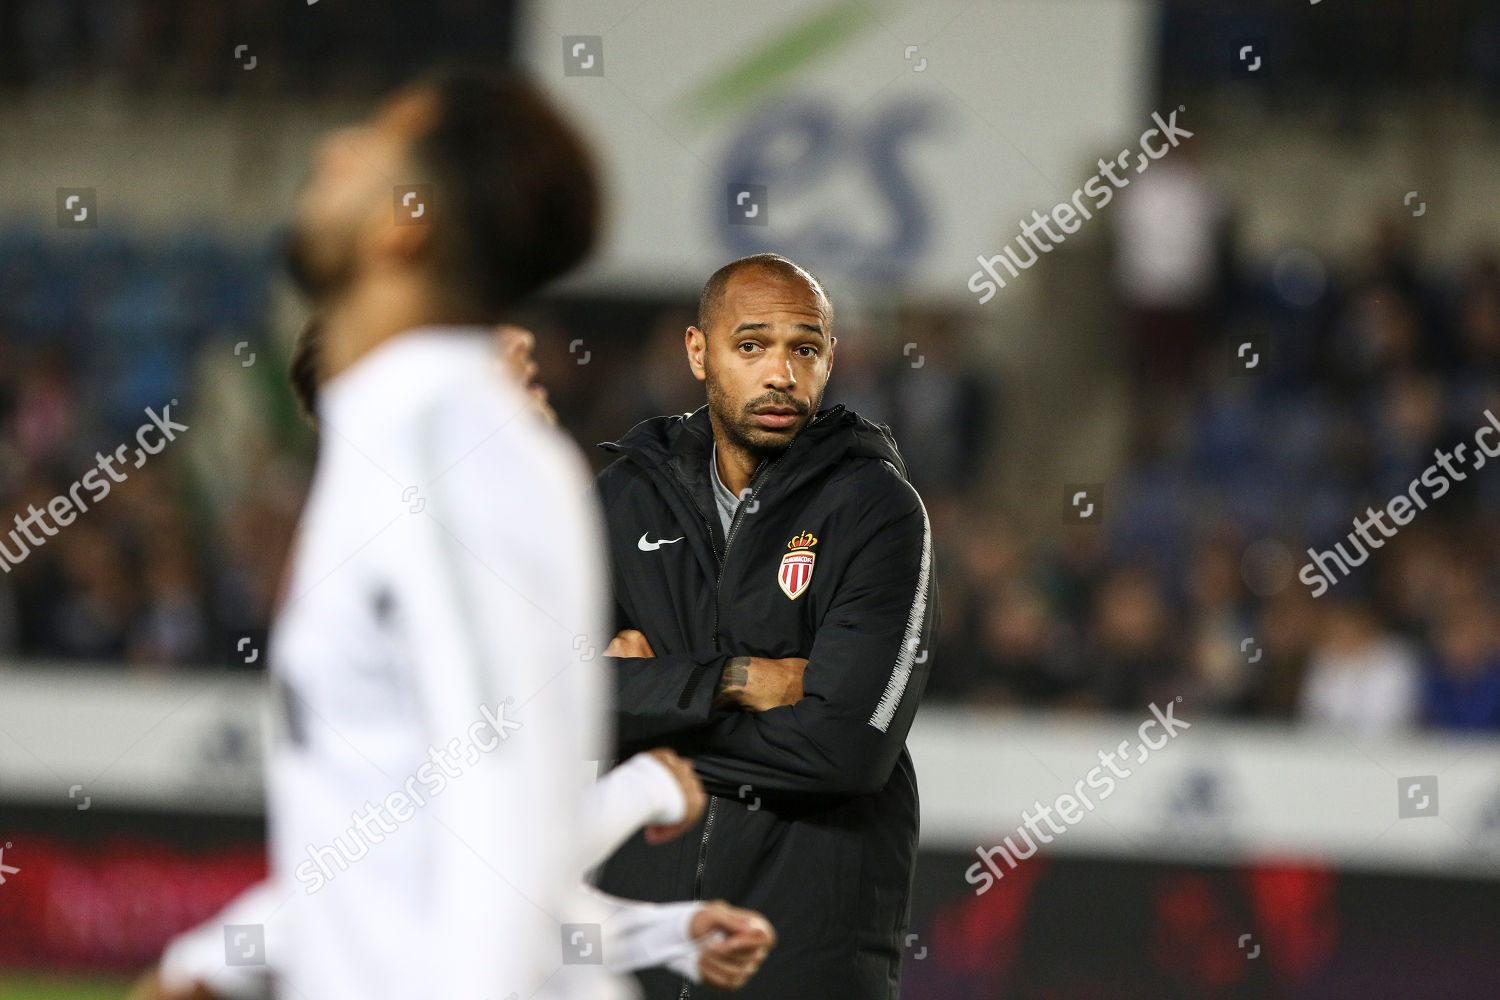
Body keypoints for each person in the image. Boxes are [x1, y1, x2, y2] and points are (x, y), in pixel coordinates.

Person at [130, 70, 772, 1000]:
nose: (328, 151)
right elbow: (411, 840)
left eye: (370, 143)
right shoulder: (405, 437)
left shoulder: (448, 445)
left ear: (408, 222)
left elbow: (504, 823)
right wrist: (215, 962)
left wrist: (640, 800)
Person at [594, 253, 938, 999]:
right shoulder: (624, 499)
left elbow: (846, 751)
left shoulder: (878, 509)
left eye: (803, 348)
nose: (781, 373)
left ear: (829, 359)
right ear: (698, 352)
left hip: (804, 957)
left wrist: (650, 736)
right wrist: (734, 680)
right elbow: (547, 705)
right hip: (634, 953)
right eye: (751, 346)